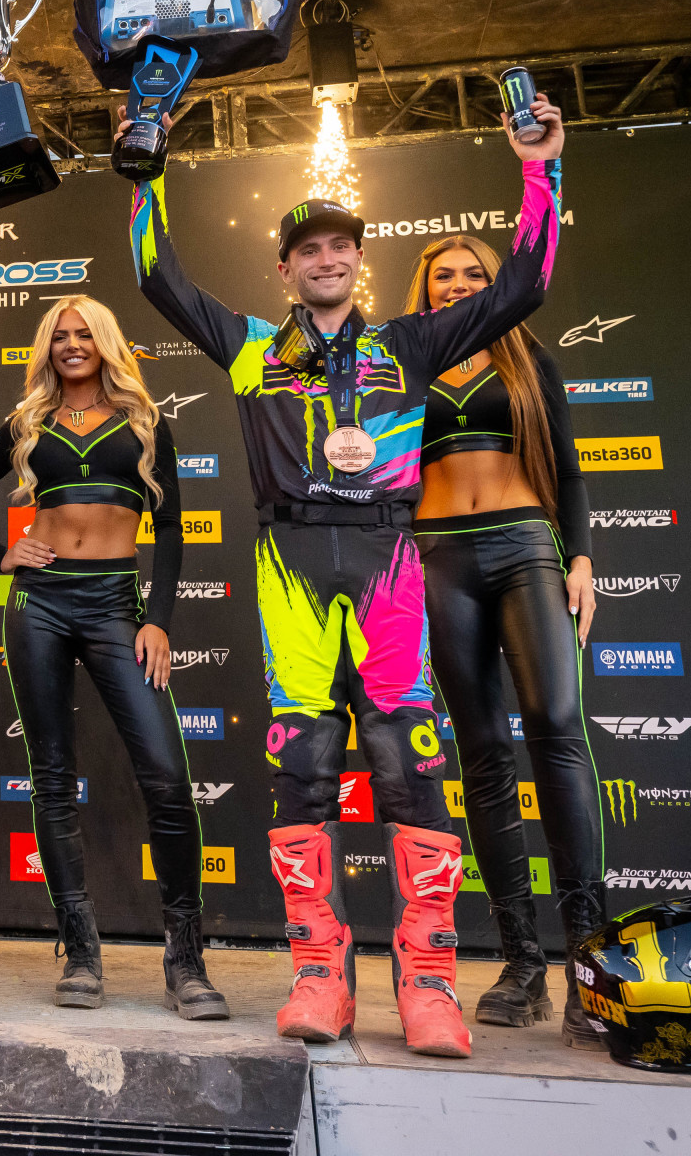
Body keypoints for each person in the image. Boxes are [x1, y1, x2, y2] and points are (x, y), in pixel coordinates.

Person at [119, 93, 563, 1059]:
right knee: (304, 767)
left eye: (342, 248)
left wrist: (539, 170)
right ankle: (318, 977)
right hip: (290, 567)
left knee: (412, 767)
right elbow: (156, 273)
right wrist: (149, 171)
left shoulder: (409, 342)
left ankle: (430, 985)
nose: (328, 260)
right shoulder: (246, 349)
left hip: (390, 563)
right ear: (284, 269)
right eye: (309, 250)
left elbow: (522, 286)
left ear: (359, 261)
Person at [0, 295, 226, 1019]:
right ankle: (80, 949)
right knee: (52, 779)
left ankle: (185, 957)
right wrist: (4, 558)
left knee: (166, 775)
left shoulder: (145, 420)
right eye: (59, 336)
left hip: (113, 605)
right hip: (40, 603)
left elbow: (170, 528)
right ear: (47, 348)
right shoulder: (26, 423)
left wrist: (157, 620)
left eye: (84, 335)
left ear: (106, 343)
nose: (72, 345)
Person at [406, 234, 606, 1044]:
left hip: (526, 544)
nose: (458, 284)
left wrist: (582, 555)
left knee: (557, 727)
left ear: (499, 284)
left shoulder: (529, 359)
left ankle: (590, 962)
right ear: (423, 290)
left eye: (474, 274)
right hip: (438, 558)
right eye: (443, 275)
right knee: (483, 750)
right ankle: (523, 962)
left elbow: (569, 464)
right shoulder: (404, 364)